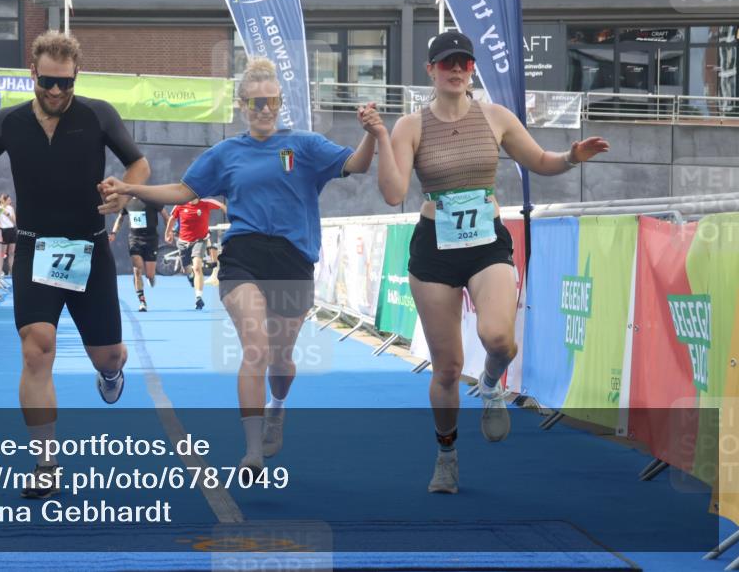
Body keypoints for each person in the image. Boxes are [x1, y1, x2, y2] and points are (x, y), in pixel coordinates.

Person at [100, 57, 378, 473]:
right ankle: (251, 450)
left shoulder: (306, 145)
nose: (263, 109)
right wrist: (129, 187)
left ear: (280, 103)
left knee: (281, 360)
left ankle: (277, 406)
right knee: (256, 348)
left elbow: (357, 164)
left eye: (270, 102)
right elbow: (182, 190)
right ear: (241, 105)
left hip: (293, 259)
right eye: (254, 103)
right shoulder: (226, 153)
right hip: (243, 255)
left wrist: (372, 135)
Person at [363, 31, 610, 494]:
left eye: (463, 63)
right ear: (431, 71)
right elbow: (394, 193)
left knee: (499, 339)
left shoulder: (496, 117)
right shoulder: (410, 126)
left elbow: (539, 160)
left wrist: (572, 157)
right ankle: (447, 455)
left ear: (472, 69)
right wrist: (380, 136)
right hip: (434, 248)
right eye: (446, 63)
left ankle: (493, 384)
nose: (455, 70)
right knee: (448, 369)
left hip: (486, 243)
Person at [0, 30, 150, 498]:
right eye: (48, 82)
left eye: (66, 83)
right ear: (33, 75)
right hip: (36, 247)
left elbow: (138, 166)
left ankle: (111, 369)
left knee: (106, 353)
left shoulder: (99, 114)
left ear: (76, 77)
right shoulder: (8, 121)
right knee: (36, 347)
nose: (57, 92)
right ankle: (46, 461)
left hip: (89, 248)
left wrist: (122, 196)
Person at [109, 197, 170, 311]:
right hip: (134, 239)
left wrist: (169, 231)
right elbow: (120, 218)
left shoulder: (153, 200)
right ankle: (142, 301)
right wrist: (113, 233)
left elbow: (166, 216)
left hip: (151, 239)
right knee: (137, 270)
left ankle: (151, 277)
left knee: (150, 274)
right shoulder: (127, 202)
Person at [165, 197, 225, 310]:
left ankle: (198, 298)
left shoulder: (206, 204)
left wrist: (235, 218)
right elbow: (172, 218)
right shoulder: (180, 204)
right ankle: (191, 276)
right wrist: (168, 233)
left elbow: (222, 206)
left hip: (200, 240)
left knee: (197, 267)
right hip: (183, 242)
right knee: (187, 269)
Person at [0, 193, 17, 276]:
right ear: (3, 200)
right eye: (8, 200)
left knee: (11, 253)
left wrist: (7, 214)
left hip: (12, 230)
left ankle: (11, 272)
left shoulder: (10, 208)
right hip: (3, 231)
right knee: (3, 253)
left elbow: (14, 221)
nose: (10, 201)